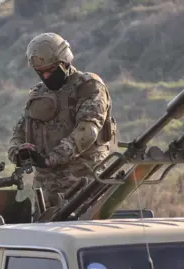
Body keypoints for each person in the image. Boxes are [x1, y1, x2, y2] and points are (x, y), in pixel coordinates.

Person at [8, 32, 116, 209]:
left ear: (65, 62)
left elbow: (88, 131)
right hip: (46, 190)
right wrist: (18, 153)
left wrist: (51, 158)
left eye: (51, 71)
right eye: (40, 73)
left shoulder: (88, 86)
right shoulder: (39, 93)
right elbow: (20, 130)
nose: (46, 77)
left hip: (83, 186)